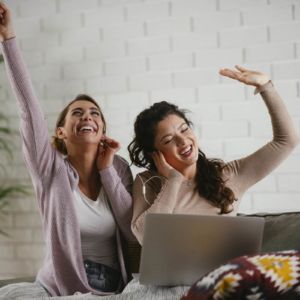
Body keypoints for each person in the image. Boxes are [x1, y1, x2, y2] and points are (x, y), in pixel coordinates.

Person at [0, 2, 135, 298]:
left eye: (95, 113)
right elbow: (29, 108)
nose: (87, 116)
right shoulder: (49, 167)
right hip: (61, 286)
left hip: (113, 287)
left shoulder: (119, 167)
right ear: (60, 132)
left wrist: (106, 170)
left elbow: (131, 228)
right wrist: (8, 39)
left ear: (102, 131)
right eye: (77, 113)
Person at [128, 67, 300, 245]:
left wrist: (265, 86)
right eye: (169, 139)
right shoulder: (147, 182)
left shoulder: (228, 175)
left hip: (225, 271)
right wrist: (173, 180)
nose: (183, 140)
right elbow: (145, 237)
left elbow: (287, 141)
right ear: (155, 153)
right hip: (172, 273)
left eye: (185, 129)